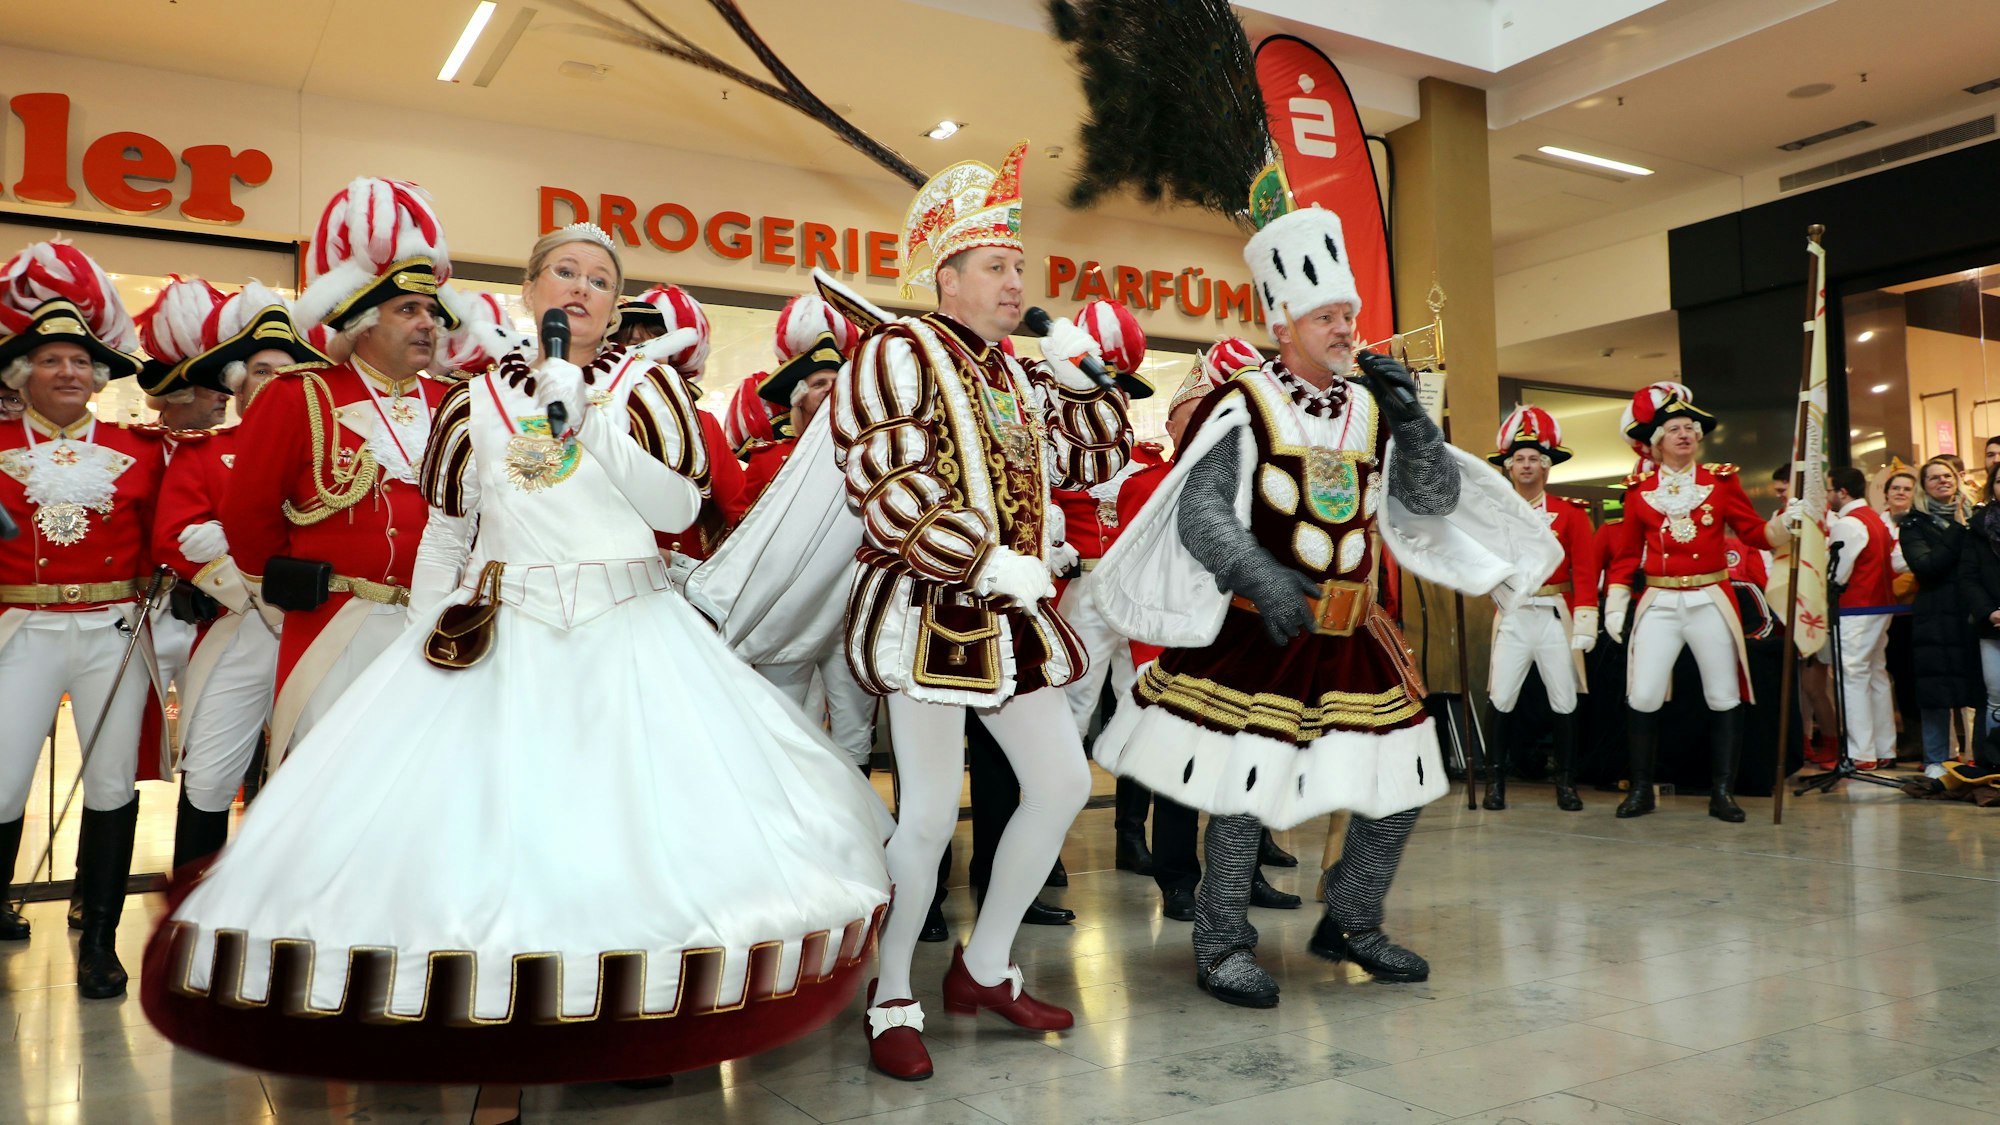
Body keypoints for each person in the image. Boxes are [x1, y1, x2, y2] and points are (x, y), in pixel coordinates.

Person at [139, 223, 894, 1103]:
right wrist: (425, 636)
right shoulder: (472, 402)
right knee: (504, 833)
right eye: (564, 272)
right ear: (531, 290)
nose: (580, 288)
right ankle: (503, 1015)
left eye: (600, 280)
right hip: (508, 629)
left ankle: (633, 1021)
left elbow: (680, 502)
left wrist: (591, 422)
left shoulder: (645, 387)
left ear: (615, 306)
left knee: (634, 827)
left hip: (630, 633)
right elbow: (448, 532)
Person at [1089, 204, 1558, 1008]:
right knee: (1246, 796)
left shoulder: (1374, 404)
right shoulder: (1244, 404)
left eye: (1349, 314)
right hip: (1260, 628)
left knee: (1401, 786)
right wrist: (1259, 575)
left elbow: (1433, 498)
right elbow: (1201, 512)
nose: (1346, 329)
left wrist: (1415, 426)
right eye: (1328, 316)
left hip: (1354, 632)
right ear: (1282, 324)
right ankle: (1221, 940)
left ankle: (1351, 918)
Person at [221, 178, 459, 760]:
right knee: (324, 777)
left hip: (438, 625)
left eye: (431, 310)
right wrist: (295, 587)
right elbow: (248, 516)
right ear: (361, 322)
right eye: (408, 309)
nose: (428, 322)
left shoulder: (457, 403)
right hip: (334, 622)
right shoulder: (298, 395)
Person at [0, 240, 162, 998]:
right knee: (1, 785)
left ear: (99, 377)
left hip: (113, 633)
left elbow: (167, 533)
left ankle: (98, 937)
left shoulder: (139, 448)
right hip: (20, 632)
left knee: (109, 782)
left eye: (79, 361)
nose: (67, 371)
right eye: (50, 360)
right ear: (20, 374)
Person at [141, 280, 323, 869]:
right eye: (262, 372)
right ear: (237, 384)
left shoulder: (332, 453)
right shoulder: (203, 451)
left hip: (314, 629)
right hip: (237, 627)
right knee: (211, 772)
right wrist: (244, 582)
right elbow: (174, 535)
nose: (276, 384)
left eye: (288, 372)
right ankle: (197, 904)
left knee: (312, 770)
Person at [1604, 383, 1790, 821]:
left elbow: (1754, 534)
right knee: (1643, 693)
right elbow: (1627, 554)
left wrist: (1786, 523)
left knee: (1723, 695)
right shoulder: (1637, 490)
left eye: (1690, 428)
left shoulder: (1721, 482)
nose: (1685, 434)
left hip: (1710, 597)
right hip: (1660, 600)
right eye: (1674, 429)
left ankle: (1722, 792)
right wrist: (1614, 602)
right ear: (1657, 442)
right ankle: (1642, 789)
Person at [1483, 405, 1598, 811]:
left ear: (1546, 466)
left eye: (1534, 458)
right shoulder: (1494, 514)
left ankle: (1566, 784)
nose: (1526, 465)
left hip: (1554, 615)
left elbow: (1585, 568)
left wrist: (1587, 616)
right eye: (1519, 459)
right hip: (1513, 615)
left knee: (1565, 698)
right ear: (1509, 468)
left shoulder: (1570, 513)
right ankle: (1494, 782)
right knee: (1501, 696)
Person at [612, 284, 744, 567]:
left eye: (656, 344)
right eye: (631, 344)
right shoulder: (590, 418)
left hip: (683, 578)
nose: (643, 354)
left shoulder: (702, 423)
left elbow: (739, 508)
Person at [1894, 457, 1982, 779]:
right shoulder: (1913, 525)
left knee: (1980, 691)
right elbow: (1927, 567)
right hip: (1936, 617)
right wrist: (1958, 528)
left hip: (1974, 613)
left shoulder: (1979, 516)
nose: (1942, 481)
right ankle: (1935, 761)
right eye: (1933, 478)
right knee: (1936, 693)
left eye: (1947, 475)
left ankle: (1982, 757)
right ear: (1923, 486)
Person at [1826, 466, 1899, 770]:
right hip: (1881, 605)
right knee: (1876, 674)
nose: (1828, 496)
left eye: (1830, 490)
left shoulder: (1849, 523)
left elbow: (1838, 573)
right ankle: (1885, 747)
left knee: (1853, 675)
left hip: (1857, 607)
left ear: (1842, 492)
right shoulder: (1876, 520)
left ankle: (1861, 752)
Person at [1958, 463, 2000, 770]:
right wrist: (1990, 612)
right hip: (1994, 625)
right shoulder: (1979, 527)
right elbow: (1969, 577)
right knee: (1996, 699)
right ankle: (1994, 767)